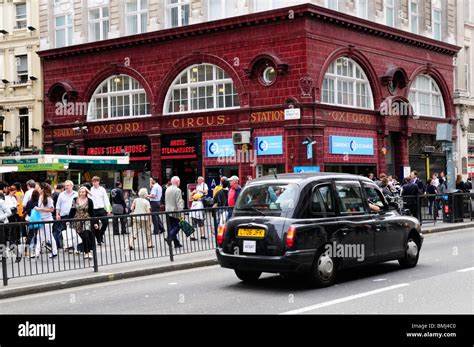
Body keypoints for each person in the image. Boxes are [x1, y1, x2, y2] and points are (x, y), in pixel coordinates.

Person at [69, 186, 96, 259]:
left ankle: (88, 252)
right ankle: (86, 251)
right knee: (83, 237)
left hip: (87, 219)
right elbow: (72, 210)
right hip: (77, 220)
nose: (81, 193)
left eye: (83, 192)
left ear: (86, 192)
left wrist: (95, 222)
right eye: (80, 192)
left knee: (86, 234)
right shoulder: (75, 200)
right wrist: (68, 220)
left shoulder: (89, 201)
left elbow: (92, 212)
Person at [33, 182, 58, 259]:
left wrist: (39, 209)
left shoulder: (49, 198)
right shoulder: (40, 197)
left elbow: (51, 209)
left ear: (42, 189)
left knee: (49, 236)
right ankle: (37, 253)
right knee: (39, 236)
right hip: (41, 219)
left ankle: (54, 252)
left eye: (38, 188)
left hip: (48, 220)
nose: (37, 189)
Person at [55, 180, 78, 249]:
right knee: (64, 231)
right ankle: (67, 245)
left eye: (67, 185)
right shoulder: (61, 194)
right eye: (65, 185)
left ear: (72, 186)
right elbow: (58, 206)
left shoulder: (76, 194)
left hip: (74, 216)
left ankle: (74, 246)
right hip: (63, 216)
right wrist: (57, 214)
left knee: (73, 231)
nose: (66, 187)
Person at [90, 176, 111, 245]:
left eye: (96, 181)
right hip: (93, 210)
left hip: (101, 209)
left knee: (105, 223)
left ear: (98, 182)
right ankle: (99, 239)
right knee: (95, 226)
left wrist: (108, 209)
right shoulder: (91, 190)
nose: (94, 183)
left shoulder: (102, 189)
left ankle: (100, 235)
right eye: (93, 182)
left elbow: (106, 199)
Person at [165, 176, 184, 248]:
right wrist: (181, 212)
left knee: (172, 227)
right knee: (179, 225)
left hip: (168, 211)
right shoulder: (178, 190)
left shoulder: (167, 189)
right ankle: (169, 237)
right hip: (175, 211)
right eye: (179, 181)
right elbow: (179, 202)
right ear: (177, 182)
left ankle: (176, 243)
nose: (179, 183)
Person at [24, 190, 40, 258]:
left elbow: (26, 210)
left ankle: (26, 250)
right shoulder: (38, 202)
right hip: (36, 220)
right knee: (36, 234)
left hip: (29, 219)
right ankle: (36, 250)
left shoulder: (29, 202)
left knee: (30, 235)